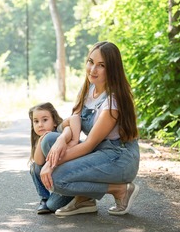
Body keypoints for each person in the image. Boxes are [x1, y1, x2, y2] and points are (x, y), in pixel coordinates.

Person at [39, 41, 140, 216]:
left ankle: (119, 190)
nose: (93, 69)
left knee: (56, 180)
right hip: (98, 152)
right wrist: (63, 140)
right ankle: (85, 199)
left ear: (112, 69)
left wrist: (50, 163)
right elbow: (74, 119)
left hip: (118, 158)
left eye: (101, 66)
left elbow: (88, 145)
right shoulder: (89, 87)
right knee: (50, 140)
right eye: (91, 62)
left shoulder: (111, 102)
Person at [28, 102, 81, 214]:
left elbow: (72, 121)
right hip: (59, 180)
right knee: (34, 167)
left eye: (45, 120)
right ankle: (44, 198)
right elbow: (38, 162)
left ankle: (81, 195)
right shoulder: (41, 139)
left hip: (71, 178)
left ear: (55, 122)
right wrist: (42, 139)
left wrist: (62, 138)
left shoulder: (59, 132)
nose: (40, 125)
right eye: (36, 121)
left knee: (52, 206)